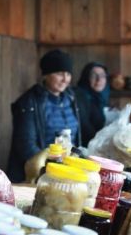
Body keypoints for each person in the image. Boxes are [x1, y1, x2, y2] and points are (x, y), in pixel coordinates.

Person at [6, 49, 81, 183]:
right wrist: (51, 170)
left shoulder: (70, 98)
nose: (65, 79)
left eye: (68, 74)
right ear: (45, 75)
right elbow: (26, 147)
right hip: (39, 175)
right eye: (59, 73)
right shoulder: (29, 102)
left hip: (66, 171)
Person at [75, 62, 108, 146]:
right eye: (94, 76)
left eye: (102, 76)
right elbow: (85, 129)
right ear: (86, 78)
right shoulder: (80, 96)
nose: (99, 79)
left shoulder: (101, 96)